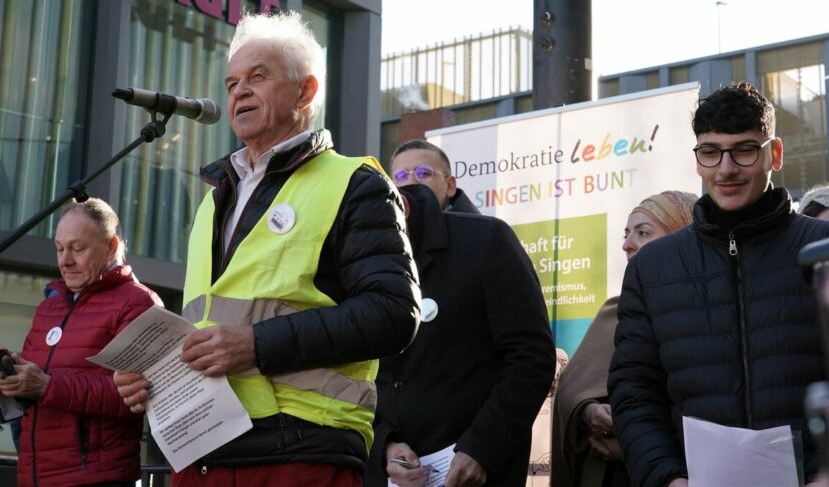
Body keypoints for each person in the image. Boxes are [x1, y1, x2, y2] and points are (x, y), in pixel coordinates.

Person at [114, 11, 419, 487]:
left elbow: (393, 312)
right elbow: (208, 327)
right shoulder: (213, 201)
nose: (239, 91)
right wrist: (154, 376)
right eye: (233, 82)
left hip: (301, 448)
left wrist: (256, 346)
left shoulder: (355, 182)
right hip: (202, 449)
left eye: (258, 76)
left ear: (306, 91)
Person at [608, 81, 829, 487]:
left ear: (774, 154)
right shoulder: (652, 267)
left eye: (744, 150)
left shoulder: (822, 251)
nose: (726, 169)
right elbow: (635, 392)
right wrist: (667, 478)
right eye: (710, 152)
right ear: (697, 160)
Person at [364, 183, 555, 487]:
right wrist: (384, 444)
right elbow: (360, 374)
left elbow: (531, 357)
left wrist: (482, 448)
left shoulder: (486, 240)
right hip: (394, 474)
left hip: (479, 471)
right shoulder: (357, 262)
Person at [0, 197, 162, 487]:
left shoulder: (138, 303)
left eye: (77, 248)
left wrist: (46, 385)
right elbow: (35, 389)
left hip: (94, 478)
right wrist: (11, 379)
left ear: (111, 246)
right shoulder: (49, 307)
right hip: (35, 477)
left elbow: (134, 396)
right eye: (59, 248)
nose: (64, 260)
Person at [551, 190, 697, 487]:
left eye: (643, 233)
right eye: (627, 234)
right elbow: (570, 394)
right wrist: (588, 412)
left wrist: (633, 441)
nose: (627, 245)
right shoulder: (613, 313)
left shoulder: (711, 313)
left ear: (683, 235)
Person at [390, 138, 479, 213]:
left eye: (424, 173)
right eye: (401, 176)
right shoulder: (381, 230)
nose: (411, 182)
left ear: (450, 186)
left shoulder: (484, 231)